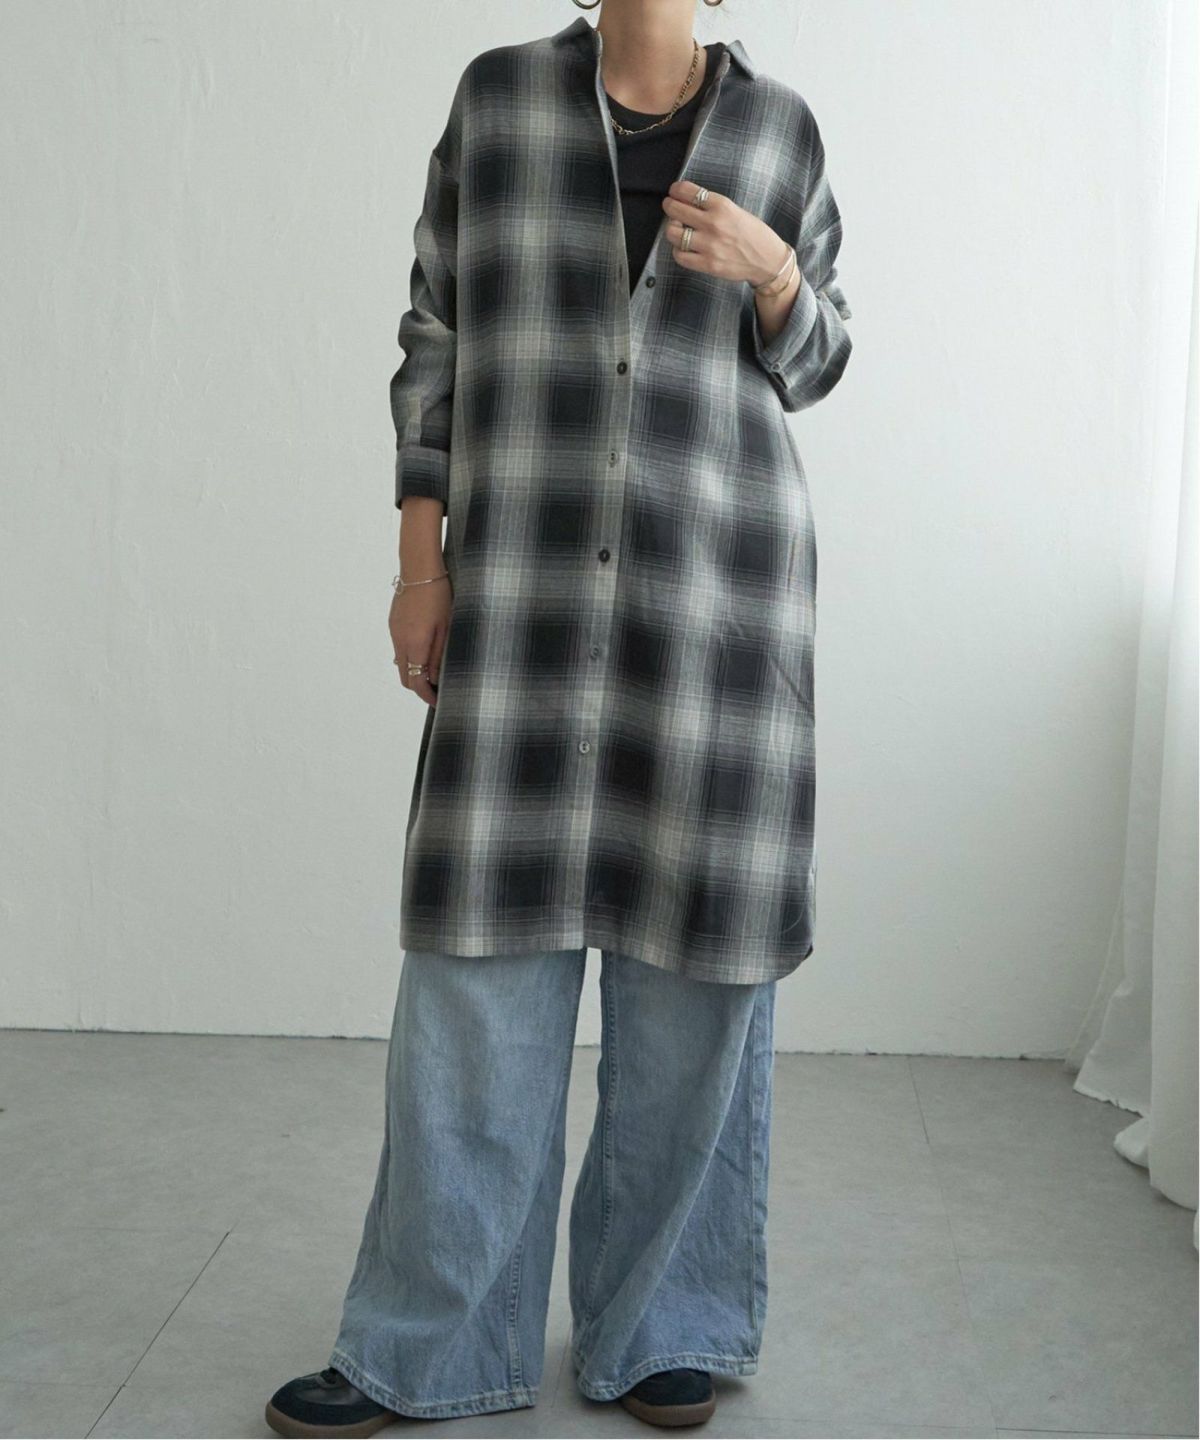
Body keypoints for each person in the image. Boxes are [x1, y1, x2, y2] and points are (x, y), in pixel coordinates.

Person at [265, 0, 852, 1433]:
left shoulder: (780, 131)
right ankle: (428, 1343)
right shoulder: (499, 101)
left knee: (699, 983)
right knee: (475, 976)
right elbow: (436, 334)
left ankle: (665, 1327)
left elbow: (820, 362)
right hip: (520, 605)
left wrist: (776, 272)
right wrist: (420, 566)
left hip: (716, 617)